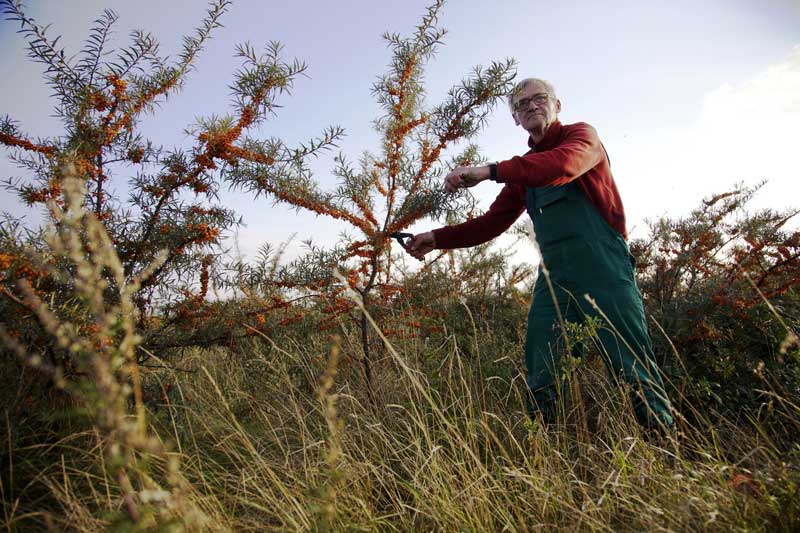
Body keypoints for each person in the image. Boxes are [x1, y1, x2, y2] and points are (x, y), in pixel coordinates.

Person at [406, 78, 674, 429]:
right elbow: (491, 223)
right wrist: (436, 238)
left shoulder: (581, 139)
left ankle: (662, 443)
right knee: (544, 365)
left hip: (604, 270)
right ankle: (549, 450)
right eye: (521, 104)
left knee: (631, 364)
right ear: (515, 118)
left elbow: (561, 167)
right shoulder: (523, 170)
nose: (531, 106)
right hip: (555, 278)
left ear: (557, 105)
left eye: (539, 99)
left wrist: (489, 171)